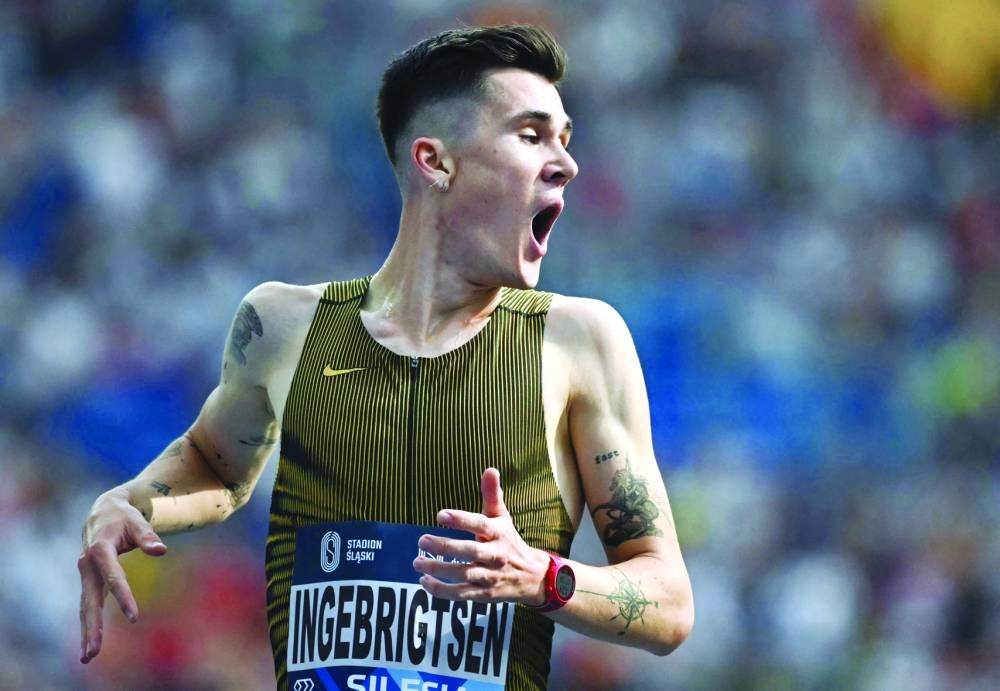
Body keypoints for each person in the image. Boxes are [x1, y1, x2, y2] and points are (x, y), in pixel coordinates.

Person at [78, 24, 694, 690]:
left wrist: (542, 576)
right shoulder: (283, 326)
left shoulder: (577, 342)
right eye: (531, 135)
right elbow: (214, 464)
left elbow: (668, 603)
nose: (566, 164)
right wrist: (128, 501)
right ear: (436, 161)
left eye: (565, 140)